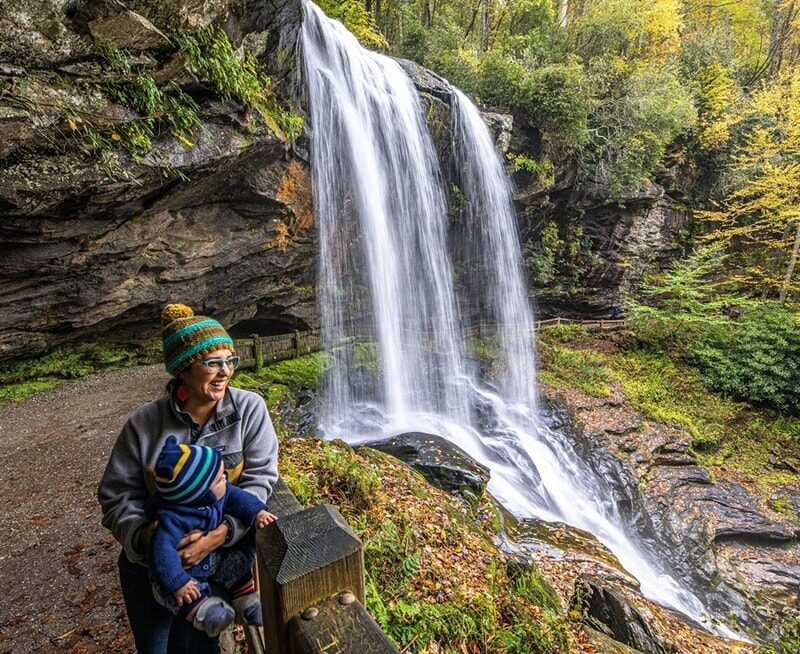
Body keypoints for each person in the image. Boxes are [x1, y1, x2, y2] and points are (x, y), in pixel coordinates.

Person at [98, 303, 279, 654]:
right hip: (149, 568)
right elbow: (116, 495)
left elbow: (260, 479)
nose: (225, 372)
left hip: (218, 559)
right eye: (212, 363)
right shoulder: (143, 425)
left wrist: (220, 534)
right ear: (183, 368)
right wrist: (149, 538)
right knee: (155, 647)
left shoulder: (249, 409)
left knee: (199, 646)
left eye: (230, 361)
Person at [147, 436, 277, 637]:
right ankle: (206, 614)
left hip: (215, 557)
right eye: (219, 479)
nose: (225, 477)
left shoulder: (221, 493)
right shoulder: (171, 520)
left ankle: (246, 603)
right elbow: (161, 554)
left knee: (237, 563)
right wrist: (179, 582)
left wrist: (258, 513)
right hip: (185, 575)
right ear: (200, 495)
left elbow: (242, 499)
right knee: (180, 597)